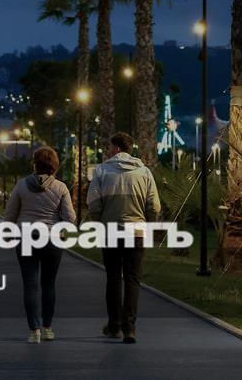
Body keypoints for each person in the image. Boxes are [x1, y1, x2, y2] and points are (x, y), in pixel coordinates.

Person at [86, 132, 161, 344]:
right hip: (136, 233)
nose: (108, 150)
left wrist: (99, 221)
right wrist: (148, 225)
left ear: (117, 148)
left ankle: (114, 326)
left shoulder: (102, 170)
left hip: (111, 231)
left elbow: (93, 202)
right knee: (132, 280)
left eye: (110, 147)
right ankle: (130, 328)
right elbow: (154, 206)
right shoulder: (144, 172)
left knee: (113, 279)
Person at [3, 146, 75, 344]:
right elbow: (70, 218)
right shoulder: (61, 187)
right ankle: (47, 328)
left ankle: (33, 331)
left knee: (30, 284)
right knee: (49, 283)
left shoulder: (21, 185)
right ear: (54, 164)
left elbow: (10, 214)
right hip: (51, 239)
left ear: (35, 164)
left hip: (26, 237)